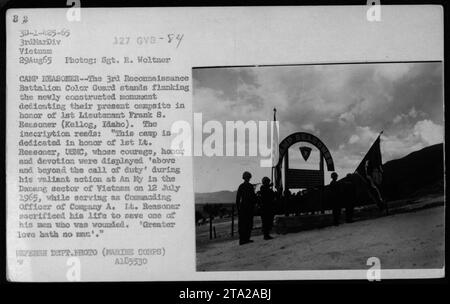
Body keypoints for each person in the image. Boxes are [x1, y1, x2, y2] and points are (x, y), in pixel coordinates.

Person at [235, 171, 257, 245]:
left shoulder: (243, 186)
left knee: (247, 224)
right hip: (246, 207)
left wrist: (238, 208)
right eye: (247, 177)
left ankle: (245, 239)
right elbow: (238, 198)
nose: (248, 179)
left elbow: (238, 199)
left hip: (245, 207)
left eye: (248, 177)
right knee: (245, 224)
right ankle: (243, 240)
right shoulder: (248, 186)